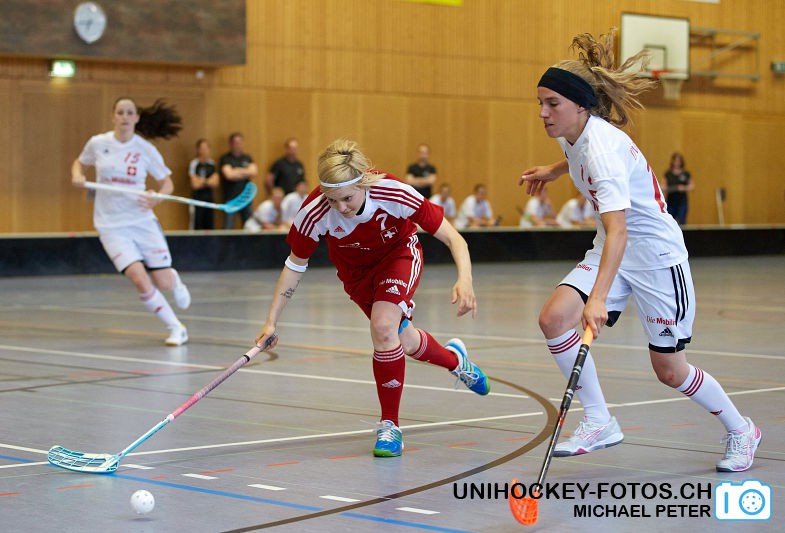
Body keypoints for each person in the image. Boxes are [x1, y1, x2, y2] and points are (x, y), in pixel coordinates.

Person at [519, 29, 760, 472]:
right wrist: (555, 171)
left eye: (552, 103)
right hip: (613, 246)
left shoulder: (603, 152)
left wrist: (596, 299)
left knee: (670, 370)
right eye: (541, 102)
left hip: (654, 258)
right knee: (554, 318)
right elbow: (579, 160)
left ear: (580, 106)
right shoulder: (574, 133)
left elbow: (620, 232)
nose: (543, 113)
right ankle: (599, 420)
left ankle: (742, 429)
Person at [253, 138, 489, 457]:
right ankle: (454, 360)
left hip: (399, 255)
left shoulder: (394, 192)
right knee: (401, 339)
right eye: (332, 200)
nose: (340, 208)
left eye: (347, 198)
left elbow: (453, 237)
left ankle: (390, 426)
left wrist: (465, 279)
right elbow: (295, 265)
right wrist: (271, 322)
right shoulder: (314, 212)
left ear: (363, 182)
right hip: (356, 277)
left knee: (382, 327)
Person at [71, 97, 190, 346]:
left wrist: (156, 198)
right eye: (120, 112)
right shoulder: (98, 143)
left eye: (129, 113)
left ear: (136, 118)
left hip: (142, 221)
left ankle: (174, 278)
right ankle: (176, 327)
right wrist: (77, 176)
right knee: (138, 277)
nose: (124, 117)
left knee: (164, 282)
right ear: (113, 116)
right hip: (110, 225)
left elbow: (167, 183)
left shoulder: (145, 149)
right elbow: (79, 163)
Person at [220, 132, 258, 229]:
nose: (238, 145)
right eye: (235, 142)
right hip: (231, 198)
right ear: (231, 144)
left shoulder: (247, 158)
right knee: (228, 227)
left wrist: (236, 170)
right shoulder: (226, 158)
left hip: (246, 198)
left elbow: (253, 172)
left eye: (240, 142)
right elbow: (229, 175)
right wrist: (245, 172)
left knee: (249, 226)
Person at [188, 138, 220, 230]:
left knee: (209, 227)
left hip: (209, 200)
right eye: (202, 148)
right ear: (198, 150)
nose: (204, 151)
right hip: (197, 200)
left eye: (206, 148)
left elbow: (215, 183)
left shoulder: (212, 164)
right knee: (197, 226)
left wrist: (202, 181)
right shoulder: (194, 164)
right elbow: (194, 184)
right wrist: (208, 181)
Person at [664, 152, 694, 225]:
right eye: (675, 161)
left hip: (682, 202)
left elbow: (692, 186)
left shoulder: (685, 174)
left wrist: (683, 188)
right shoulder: (668, 174)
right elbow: (663, 187)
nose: (677, 163)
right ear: (672, 161)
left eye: (679, 161)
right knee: (670, 222)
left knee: (682, 222)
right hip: (671, 202)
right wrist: (673, 188)